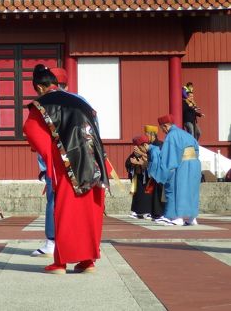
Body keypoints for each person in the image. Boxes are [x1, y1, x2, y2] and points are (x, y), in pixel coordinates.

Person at [23, 64, 107, 274]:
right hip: (94, 163)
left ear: (40, 88)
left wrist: (50, 158)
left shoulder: (42, 103)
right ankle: (88, 261)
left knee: (65, 211)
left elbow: (30, 129)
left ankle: (60, 263)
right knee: (89, 212)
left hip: (67, 165)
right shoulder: (81, 101)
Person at [149, 114, 201, 226]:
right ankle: (191, 218)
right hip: (195, 164)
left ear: (165, 126)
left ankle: (177, 217)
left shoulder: (172, 135)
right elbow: (196, 150)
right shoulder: (186, 134)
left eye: (162, 128)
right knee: (191, 191)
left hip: (183, 165)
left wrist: (166, 170)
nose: (163, 131)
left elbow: (169, 156)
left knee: (178, 190)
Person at [126, 136, 153, 220]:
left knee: (146, 195)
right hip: (138, 177)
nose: (136, 148)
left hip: (148, 178)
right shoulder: (134, 154)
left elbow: (152, 162)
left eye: (137, 146)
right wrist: (133, 164)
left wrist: (142, 163)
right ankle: (137, 211)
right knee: (137, 195)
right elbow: (127, 163)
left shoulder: (150, 152)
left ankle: (147, 212)